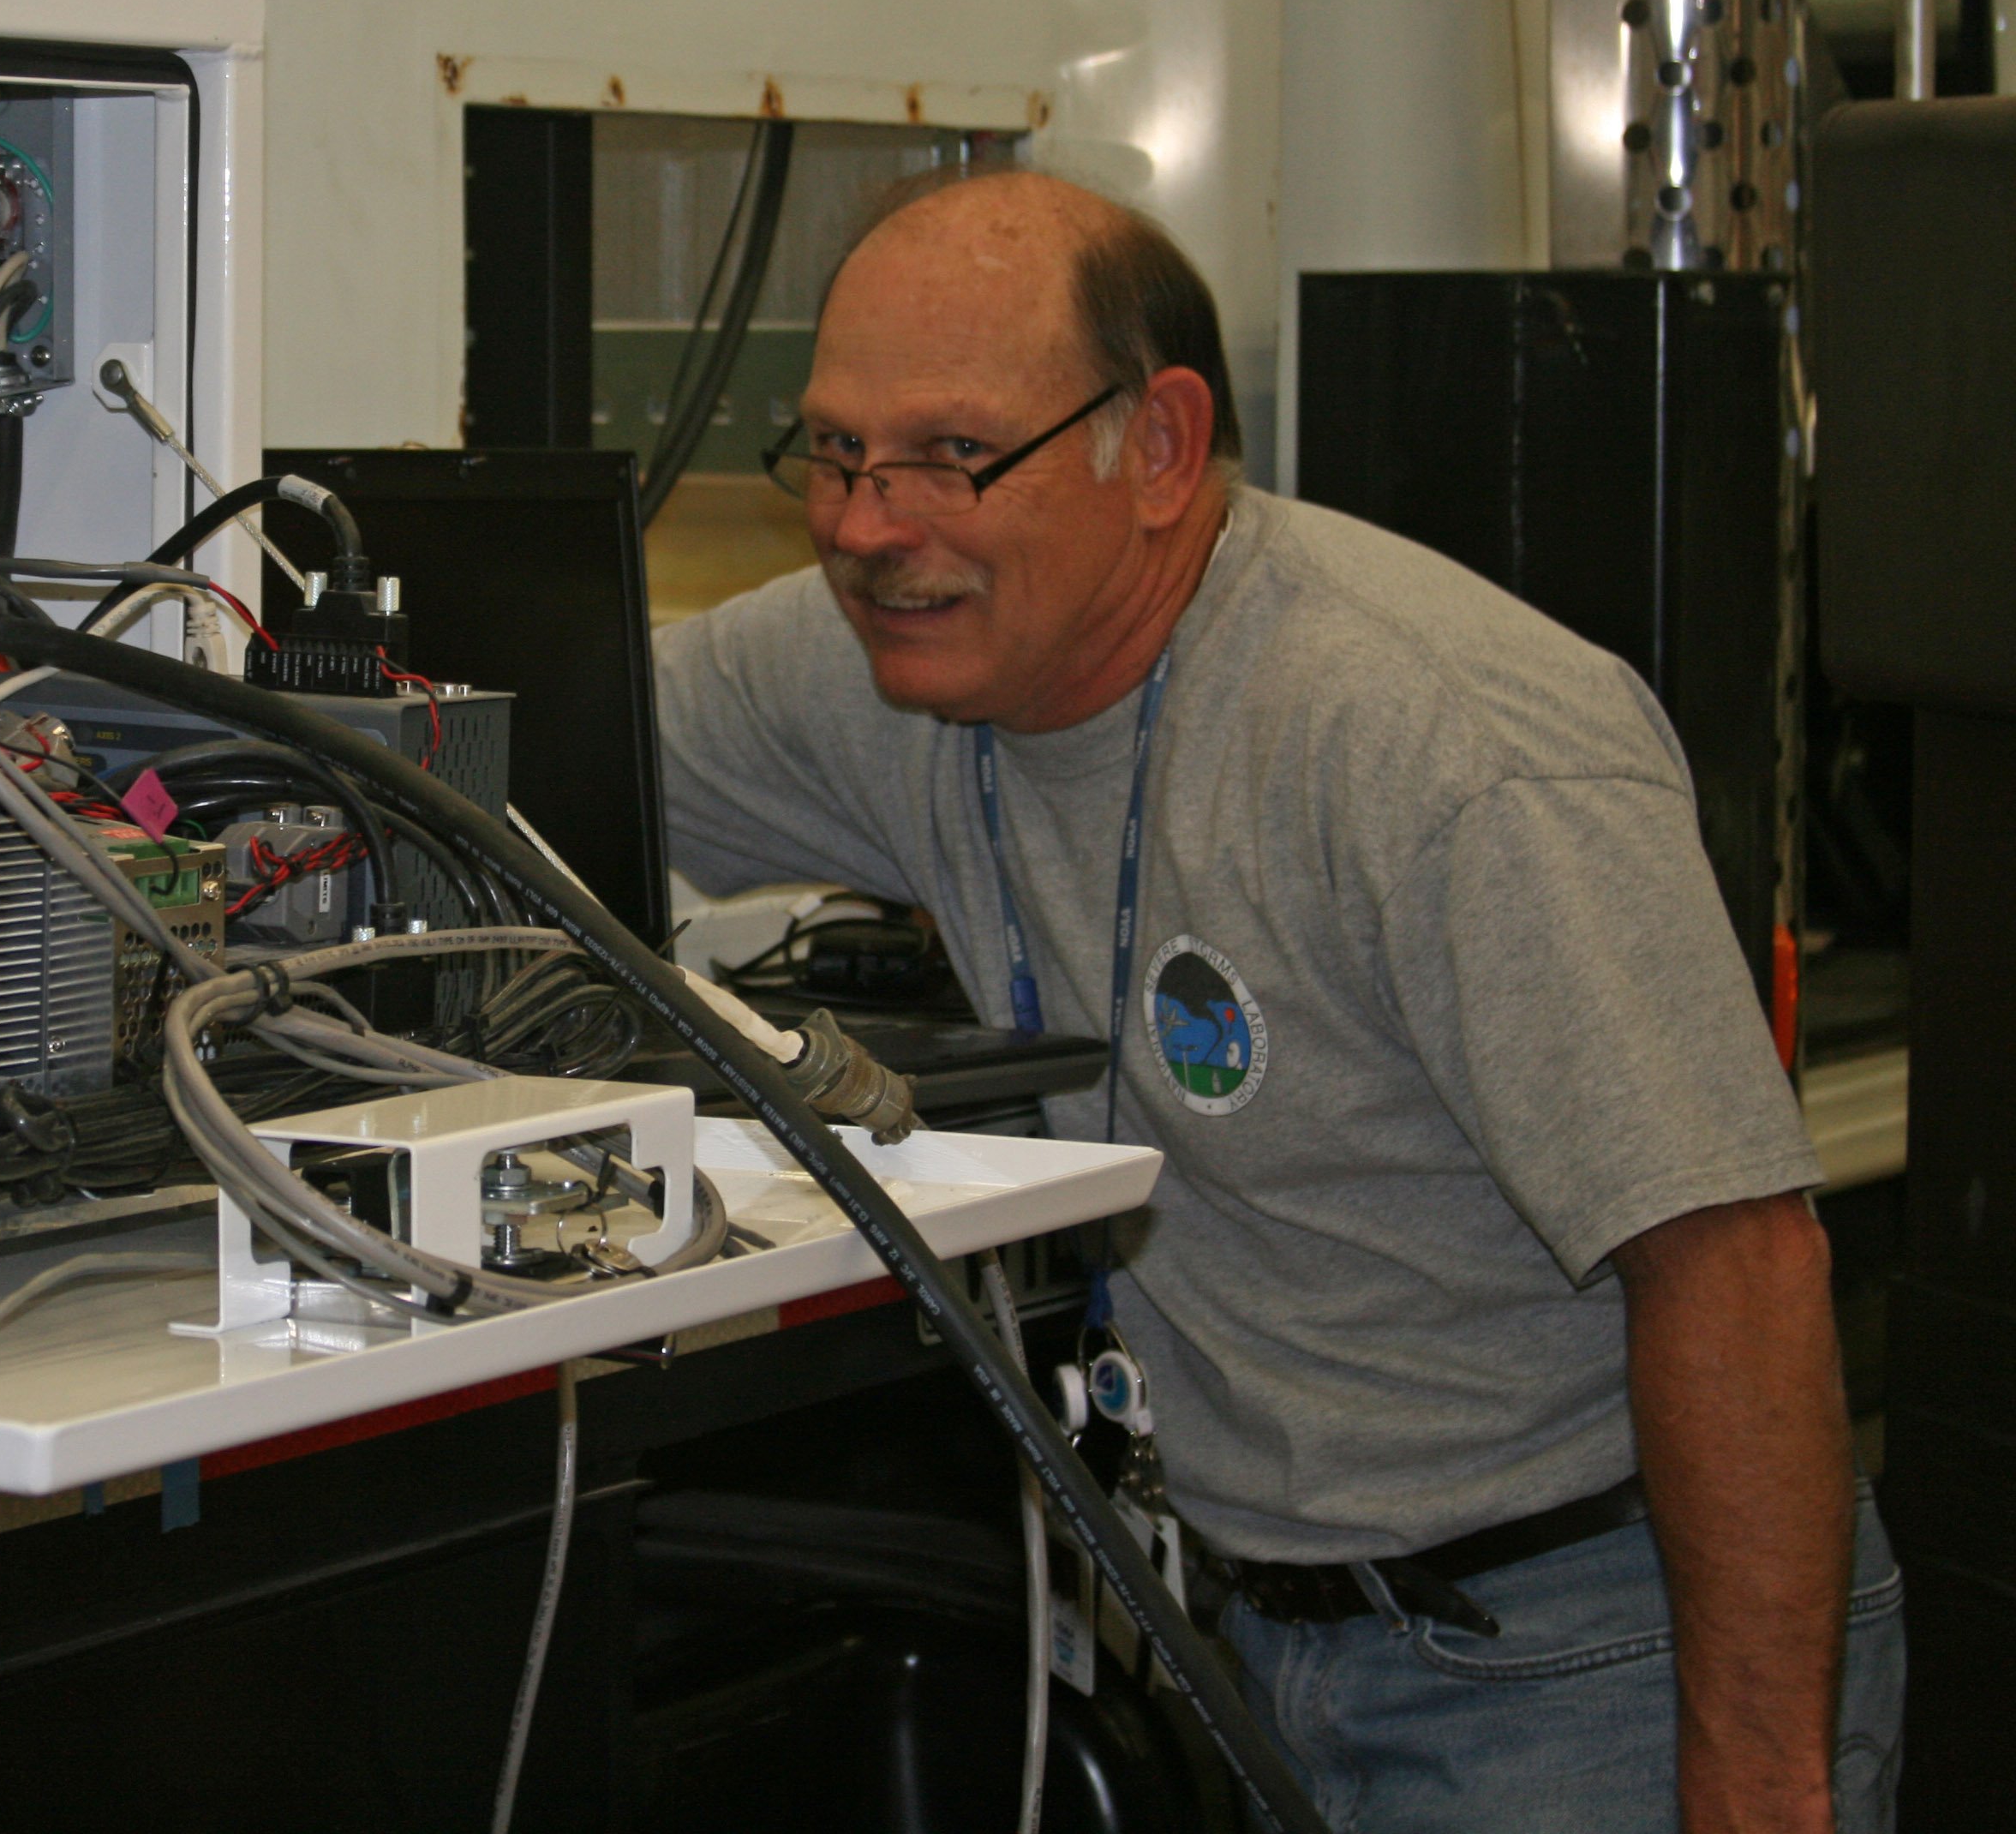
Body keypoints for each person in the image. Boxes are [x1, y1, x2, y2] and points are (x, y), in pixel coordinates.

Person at [652, 169, 1902, 1832]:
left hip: (1581, 1659)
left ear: (1159, 449)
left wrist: (1756, 1788)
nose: (874, 527)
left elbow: (1736, 1268)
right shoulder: (893, 658)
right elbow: (529, 740)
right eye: (836, 452)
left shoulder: (1447, 748)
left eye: (955, 456)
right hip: (1244, 1643)